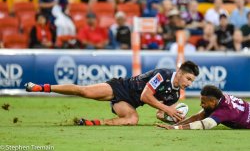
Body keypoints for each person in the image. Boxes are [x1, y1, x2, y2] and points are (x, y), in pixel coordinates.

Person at [25, 61, 199, 126]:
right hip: (121, 87)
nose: (189, 84)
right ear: (180, 73)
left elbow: (160, 114)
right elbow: (145, 96)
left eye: (192, 81)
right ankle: (40, 87)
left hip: (129, 104)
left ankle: (90, 123)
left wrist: (173, 117)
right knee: (83, 91)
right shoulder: (163, 74)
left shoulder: (175, 96)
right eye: (189, 79)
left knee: (133, 119)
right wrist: (168, 110)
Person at [156, 85, 250, 129]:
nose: (201, 105)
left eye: (203, 102)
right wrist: (173, 125)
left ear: (213, 101)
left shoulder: (224, 110)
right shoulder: (220, 99)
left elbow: (204, 124)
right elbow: (197, 117)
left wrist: (175, 128)